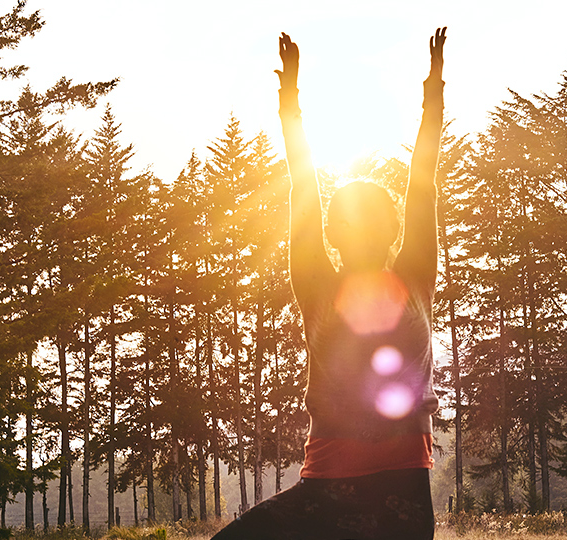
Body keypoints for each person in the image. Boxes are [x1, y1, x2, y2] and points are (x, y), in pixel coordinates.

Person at [211, 27, 446, 540]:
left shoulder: (414, 277)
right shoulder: (317, 283)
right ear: (334, 233)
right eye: (347, 218)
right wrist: (289, 104)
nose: (358, 227)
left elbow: (424, 184)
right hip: (325, 486)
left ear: (393, 230)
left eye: (372, 218)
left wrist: (434, 96)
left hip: (401, 495)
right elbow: (303, 185)